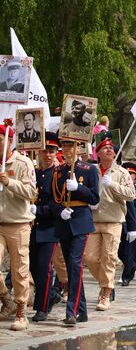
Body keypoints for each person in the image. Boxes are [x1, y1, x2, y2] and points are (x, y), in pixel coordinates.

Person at [52, 139, 100, 326]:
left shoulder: (89, 170)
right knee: (72, 268)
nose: (67, 149)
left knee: (74, 264)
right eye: (64, 146)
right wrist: (59, 211)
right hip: (64, 220)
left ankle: (71, 311)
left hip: (80, 220)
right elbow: (53, 198)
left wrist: (78, 188)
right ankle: (82, 310)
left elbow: (95, 198)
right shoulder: (58, 171)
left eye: (71, 145)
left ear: (78, 148)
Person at [85, 139, 136, 311]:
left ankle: (105, 292)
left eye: (110, 148)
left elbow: (131, 194)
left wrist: (112, 184)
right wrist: (88, 201)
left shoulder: (121, 172)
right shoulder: (91, 171)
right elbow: (84, 191)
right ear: (97, 154)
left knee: (109, 257)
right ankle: (107, 283)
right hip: (93, 219)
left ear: (115, 154)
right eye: (103, 148)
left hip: (113, 219)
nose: (108, 150)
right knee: (90, 258)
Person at [0, 122, 37, 331]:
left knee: (19, 270)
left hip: (18, 224)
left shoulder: (23, 163)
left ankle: (21, 310)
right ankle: (6, 299)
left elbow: (31, 192)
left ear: (8, 141)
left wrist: (9, 183)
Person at [29, 133, 62, 323]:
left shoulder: (58, 174)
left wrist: (39, 209)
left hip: (49, 227)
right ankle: (51, 295)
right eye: (45, 151)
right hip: (33, 227)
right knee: (34, 267)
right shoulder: (34, 173)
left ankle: (41, 308)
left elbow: (59, 203)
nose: (48, 155)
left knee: (44, 268)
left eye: (51, 151)